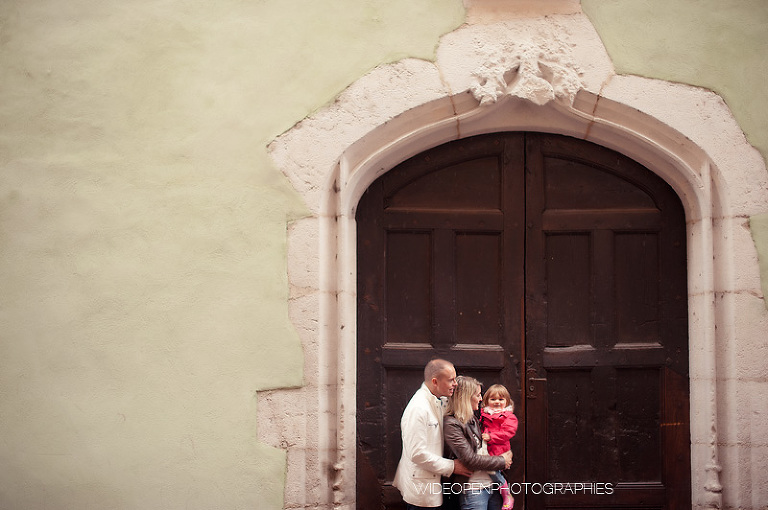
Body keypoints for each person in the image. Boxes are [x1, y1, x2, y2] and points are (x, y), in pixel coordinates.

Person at [393, 359, 473, 510]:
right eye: (451, 380)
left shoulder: (438, 400)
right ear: (435, 381)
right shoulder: (418, 408)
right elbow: (417, 453)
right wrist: (452, 466)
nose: (455, 384)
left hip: (435, 484)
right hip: (421, 491)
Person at [444, 376, 513, 510]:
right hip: (473, 489)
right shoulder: (451, 424)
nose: (481, 399)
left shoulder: (472, 419)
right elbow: (469, 459)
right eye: (477, 395)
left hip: (491, 486)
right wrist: (501, 461)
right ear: (465, 397)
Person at [480, 384, 518, 510]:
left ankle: (507, 494)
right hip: (486, 450)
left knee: (493, 471)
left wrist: (491, 437)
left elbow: (508, 433)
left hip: (499, 450)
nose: (497, 402)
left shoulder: (509, 417)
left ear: (507, 401)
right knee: (490, 472)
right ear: (486, 401)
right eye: (493, 399)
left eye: (501, 399)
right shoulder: (484, 415)